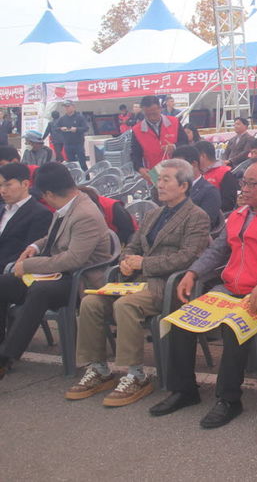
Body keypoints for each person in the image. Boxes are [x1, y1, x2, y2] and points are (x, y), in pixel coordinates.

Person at [150, 159, 257, 426]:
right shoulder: (238, 214)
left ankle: (229, 399)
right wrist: (193, 273)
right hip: (229, 289)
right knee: (181, 321)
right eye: (243, 182)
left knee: (234, 327)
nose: (244, 188)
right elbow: (217, 251)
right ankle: (184, 390)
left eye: (251, 184)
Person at [68, 159, 210, 406]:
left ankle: (136, 374)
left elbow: (187, 257)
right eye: (159, 179)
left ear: (184, 186)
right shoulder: (153, 213)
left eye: (166, 180)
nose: (160, 185)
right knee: (91, 301)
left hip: (167, 285)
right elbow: (132, 245)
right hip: (135, 281)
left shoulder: (196, 216)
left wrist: (143, 264)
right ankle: (98, 368)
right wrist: (125, 261)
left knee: (126, 305)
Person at [0, 162, 113, 379]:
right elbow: (52, 237)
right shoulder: (66, 206)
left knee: (40, 291)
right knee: (4, 283)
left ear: (49, 194)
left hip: (79, 279)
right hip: (56, 273)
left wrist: (28, 266)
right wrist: (34, 247)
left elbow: (73, 259)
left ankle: (6, 356)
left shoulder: (85, 213)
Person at [0, 163, 52, 278]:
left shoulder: (40, 214)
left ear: (25, 184)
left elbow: (29, 254)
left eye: (8, 185)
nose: (2, 191)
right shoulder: (2, 209)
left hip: (11, 272)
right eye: (0, 186)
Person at [131, 95, 188, 183]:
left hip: (178, 173)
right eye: (148, 114)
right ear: (143, 111)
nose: (152, 117)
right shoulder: (137, 130)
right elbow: (135, 155)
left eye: (154, 113)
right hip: (155, 176)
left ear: (160, 108)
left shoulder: (174, 122)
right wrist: (140, 169)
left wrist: (174, 147)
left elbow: (185, 142)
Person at [171, 145, 222, 229]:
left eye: (179, 166)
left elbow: (204, 224)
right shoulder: (173, 189)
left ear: (194, 164)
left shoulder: (209, 192)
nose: (176, 171)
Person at [196, 140, 238, 213]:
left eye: (195, 157)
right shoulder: (198, 173)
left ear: (203, 156)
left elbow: (228, 204)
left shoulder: (225, 173)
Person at [57, 100, 90, 171]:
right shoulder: (62, 119)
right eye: (65, 107)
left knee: (82, 162)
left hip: (78, 143)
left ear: (73, 107)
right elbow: (56, 128)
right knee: (71, 164)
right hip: (67, 144)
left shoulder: (80, 117)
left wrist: (76, 129)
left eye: (68, 106)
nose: (66, 108)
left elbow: (86, 128)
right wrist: (61, 128)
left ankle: (87, 178)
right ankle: (74, 178)